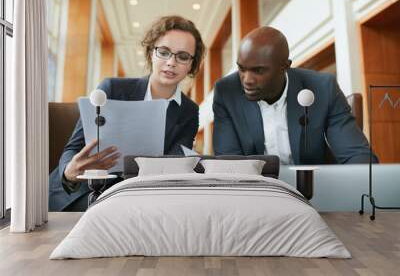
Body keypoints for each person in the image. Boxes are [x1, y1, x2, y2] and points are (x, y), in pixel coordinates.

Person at [49, 15, 205, 211]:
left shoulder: (189, 111)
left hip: (143, 198)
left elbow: (174, 164)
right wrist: (68, 172)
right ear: (151, 53)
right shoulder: (112, 89)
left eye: (182, 56)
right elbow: (74, 147)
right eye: (164, 52)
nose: (171, 62)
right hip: (87, 193)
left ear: (192, 64)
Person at [213, 26, 377, 165]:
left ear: (285, 67)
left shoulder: (323, 88)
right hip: (256, 193)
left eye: (258, 70)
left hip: (312, 192)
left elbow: (357, 155)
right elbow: (229, 165)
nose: (246, 80)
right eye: (241, 69)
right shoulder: (226, 92)